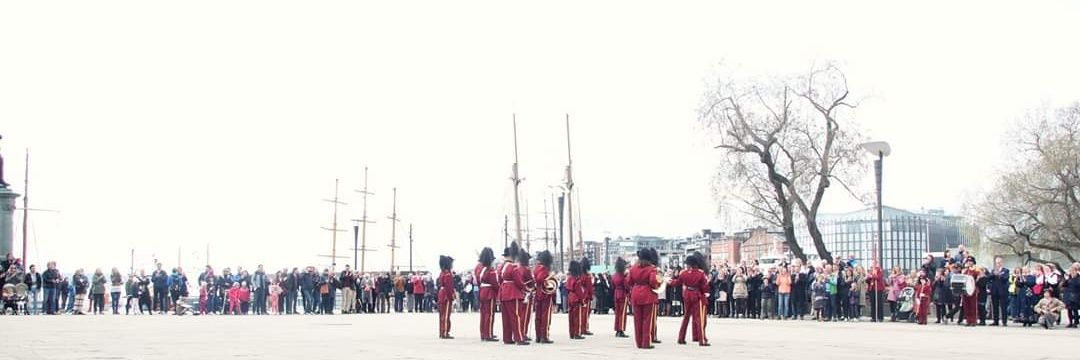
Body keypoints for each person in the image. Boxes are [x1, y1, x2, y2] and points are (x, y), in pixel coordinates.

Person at [671, 252, 710, 346]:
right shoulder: (700, 273)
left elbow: (677, 282)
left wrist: (669, 282)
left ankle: (681, 338)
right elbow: (704, 287)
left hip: (687, 295)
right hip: (696, 295)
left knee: (686, 317)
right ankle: (701, 340)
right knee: (698, 318)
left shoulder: (683, 273)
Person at [629, 248, 661, 349]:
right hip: (647, 294)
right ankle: (646, 343)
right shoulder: (652, 268)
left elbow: (629, 282)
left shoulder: (633, 268)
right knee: (647, 320)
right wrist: (658, 284)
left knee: (637, 320)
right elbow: (653, 282)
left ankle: (639, 342)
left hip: (635, 294)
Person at [498, 243, 528, 345]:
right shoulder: (513, 267)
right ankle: (519, 338)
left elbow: (499, 279)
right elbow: (518, 281)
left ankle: (507, 338)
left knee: (506, 317)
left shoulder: (502, 266)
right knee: (516, 316)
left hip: (504, 292)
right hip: (513, 292)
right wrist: (525, 289)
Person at [474, 247, 499, 342]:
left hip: (482, 291)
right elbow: (495, 283)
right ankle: (488, 334)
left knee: (483, 314)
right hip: (489, 292)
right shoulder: (490, 270)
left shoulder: (480, 268)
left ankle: (483, 333)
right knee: (490, 314)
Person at [532, 251, 555, 344]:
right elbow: (540, 279)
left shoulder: (536, 268)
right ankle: (544, 336)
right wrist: (550, 277)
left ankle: (538, 335)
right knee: (545, 315)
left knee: (538, 315)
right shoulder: (544, 268)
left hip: (538, 292)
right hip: (545, 293)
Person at [437, 255, 456, 339]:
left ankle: (442, 331)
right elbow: (449, 287)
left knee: (442, 314)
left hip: (441, 293)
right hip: (446, 295)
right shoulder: (448, 274)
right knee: (446, 315)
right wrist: (451, 296)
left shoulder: (442, 273)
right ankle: (445, 332)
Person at [987, 256, 1010, 326]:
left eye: (999, 262)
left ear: (1002, 263)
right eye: (997, 263)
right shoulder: (993, 270)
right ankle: (995, 321)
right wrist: (994, 274)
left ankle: (1004, 321)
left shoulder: (1005, 270)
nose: (998, 264)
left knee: (1003, 306)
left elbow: (1005, 278)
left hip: (1002, 291)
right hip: (994, 291)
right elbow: (989, 277)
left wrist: (999, 275)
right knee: (995, 306)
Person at [567, 260, 586, 340]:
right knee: (577, 317)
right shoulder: (577, 280)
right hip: (576, 298)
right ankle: (577, 333)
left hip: (570, 297)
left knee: (571, 317)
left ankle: (571, 333)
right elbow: (579, 292)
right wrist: (582, 301)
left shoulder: (569, 278)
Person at [518, 252, 535, 342]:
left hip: (520, 293)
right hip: (527, 293)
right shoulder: (526, 270)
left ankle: (520, 332)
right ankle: (523, 333)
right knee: (525, 315)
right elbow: (531, 281)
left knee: (520, 314)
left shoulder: (517, 268)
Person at [612, 257, 630, 337]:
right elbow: (626, 286)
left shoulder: (615, 275)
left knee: (617, 313)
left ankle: (617, 329)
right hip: (622, 294)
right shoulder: (623, 276)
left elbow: (612, 286)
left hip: (616, 293)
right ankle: (621, 329)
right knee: (622, 313)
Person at [961, 256, 980, 327]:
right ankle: (968, 320)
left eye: (970, 261)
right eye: (968, 261)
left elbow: (978, 279)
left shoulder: (976, 270)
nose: (969, 263)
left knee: (973, 306)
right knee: (966, 305)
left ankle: (973, 320)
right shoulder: (965, 270)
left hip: (973, 290)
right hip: (965, 290)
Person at [580, 257, 595, 336]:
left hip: (580, 295)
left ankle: (580, 328)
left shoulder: (579, 275)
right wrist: (591, 296)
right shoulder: (587, 276)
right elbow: (589, 288)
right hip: (586, 296)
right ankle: (584, 328)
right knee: (585, 313)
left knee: (581, 313)